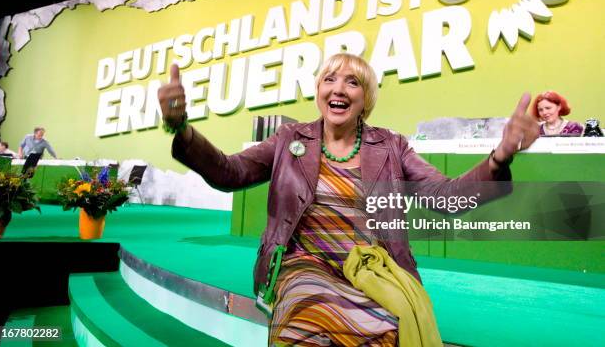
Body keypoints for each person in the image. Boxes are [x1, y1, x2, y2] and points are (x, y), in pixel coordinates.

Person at [158, 54, 539, 345]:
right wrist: (180, 126)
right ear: (319, 91)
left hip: (370, 273)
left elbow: (446, 197)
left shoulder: (392, 146)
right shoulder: (289, 139)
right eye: (330, 79)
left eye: (352, 82)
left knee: (386, 332)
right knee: (306, 321)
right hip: (302, 267)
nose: (339, 88)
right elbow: (229, 172)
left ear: (366, 98)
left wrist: (500, 157)